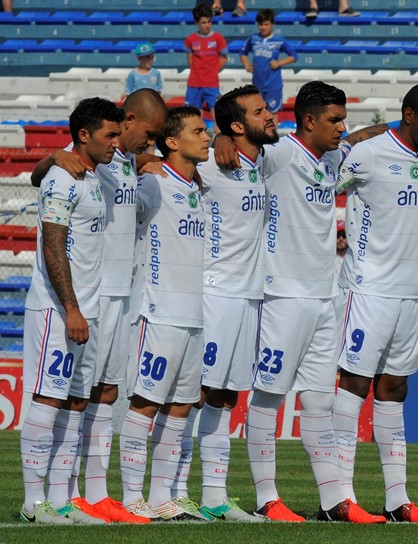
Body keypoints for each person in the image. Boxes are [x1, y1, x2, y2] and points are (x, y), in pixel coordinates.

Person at [211, 81, 391, 523]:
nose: (341, 128)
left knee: (318, 403)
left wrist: (387, 129)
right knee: (268, 397)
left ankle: (335, 502)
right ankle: (266, 497)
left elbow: (367, 136)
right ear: (309, 122)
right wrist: (219, 137)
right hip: (282, 295)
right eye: (333, 120)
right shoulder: (279, 154)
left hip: (325, 296)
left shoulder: (331, 157)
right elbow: (240, 146)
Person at [28, 89, 167, 525]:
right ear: (124, 123)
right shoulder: (71, 167)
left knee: (101, 393)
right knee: (58, 396)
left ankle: (84, 495)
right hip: (76, 299)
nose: (152, 142)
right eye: (148, 133)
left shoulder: (115, 164)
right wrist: (50, 158)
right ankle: (42, 501)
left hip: (112, 299)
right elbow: (51, 224)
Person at [333, 84, 418, 524]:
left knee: (394, 388)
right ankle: (342, 496)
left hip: (408, 293)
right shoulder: (370, 153)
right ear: (409, 114)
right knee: (354, 384)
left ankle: (397, 499)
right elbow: (329, 181)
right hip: (368, 289)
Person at [19, 98, 123, 525]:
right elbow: (53, 244)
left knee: (76, 403)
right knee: (48, 397)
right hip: (59, 310)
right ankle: (33, 502)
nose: (116, 143)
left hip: (89, 309)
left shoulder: (94, 174)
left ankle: (61, 500)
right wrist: (71, 309)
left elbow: (34, 173)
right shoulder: (64, 178)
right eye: (109, 135)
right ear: (84, 135)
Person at [189, 85, 279, 523]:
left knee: (225, 397)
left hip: (249, 296)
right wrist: (218, 136)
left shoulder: (266, 161)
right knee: (195, 394)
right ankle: (168, 493)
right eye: (261, 110)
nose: (272, 114)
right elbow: (148, 161)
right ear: (238, 124)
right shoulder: (209, 160)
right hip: (215, 293)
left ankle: (214, 498)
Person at [117, 106, 210, 522]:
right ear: (172, 142)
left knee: (181, 407)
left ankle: (161, 498)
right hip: (158, 312)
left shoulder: (199, 188)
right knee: (145, 404)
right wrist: (137, 160)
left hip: (194, 315)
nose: (207, 137)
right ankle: (131, 497)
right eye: (197, 131)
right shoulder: (152, 183)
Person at [239, 9, 298, 124]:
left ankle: (272, 139)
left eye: (266, 24)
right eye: (260, 24)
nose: (263, 27)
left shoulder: (279, 40)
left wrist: (279, 63)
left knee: (272, 113)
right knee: (258, 112)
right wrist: (246, 65)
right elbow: (242, 53)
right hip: (257, 84)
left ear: (272, 24)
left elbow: (294, 56)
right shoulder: (253, 38)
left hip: (273, 85)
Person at [185, 4, 228, 128]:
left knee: (217, 118)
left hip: (211, 83)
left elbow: (224, 58)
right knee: (194, 118)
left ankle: (217, 144)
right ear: (196, 22)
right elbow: (190, 58)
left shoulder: (218, 38)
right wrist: (197, 71)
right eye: (203, 22)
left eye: (209, 21)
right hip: (194, 83)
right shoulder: (190, 39)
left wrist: (213, 71)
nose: (207, 25)